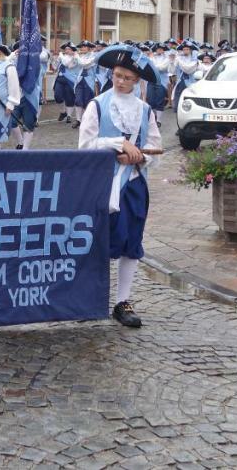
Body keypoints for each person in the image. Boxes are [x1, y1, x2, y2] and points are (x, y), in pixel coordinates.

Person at [79, 45, 161, 329]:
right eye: (117, 75)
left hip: (134, 183)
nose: (121, 81)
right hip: (102, 184)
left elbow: (155, 146)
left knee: (131, 240)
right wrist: (116, 143)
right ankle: (89, 297)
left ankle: (123, 301)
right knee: (97, 239)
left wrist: (139, 155)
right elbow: (85, 145)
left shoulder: (145, 110)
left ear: (136, 80)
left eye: (127, 77)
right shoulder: (97, 105)